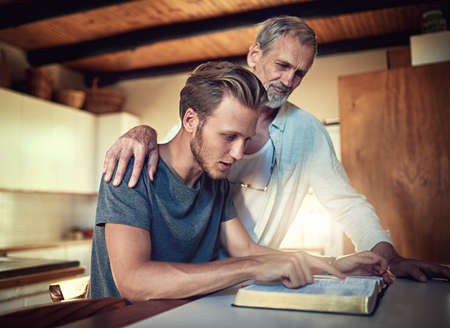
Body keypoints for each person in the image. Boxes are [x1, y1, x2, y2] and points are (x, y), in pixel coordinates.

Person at [102, 17, 450, 283]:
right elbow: (172, 152)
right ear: (255, 54)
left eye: (300, 73)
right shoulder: (206, 119)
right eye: (282, 66)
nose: (288, 81)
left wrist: (371, 258)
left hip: (241, 282)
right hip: (187, 287)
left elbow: (344, 204)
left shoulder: (300, 135)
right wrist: (140, 131)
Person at [91, 61, 388, 300]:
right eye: (229, 136)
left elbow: (246, 250)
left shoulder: (215, 180)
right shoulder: (131, 168)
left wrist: (332, 264)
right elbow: (134, 281)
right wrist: (252, 268)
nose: (238, 153)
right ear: (191, 121)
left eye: (245, 139)